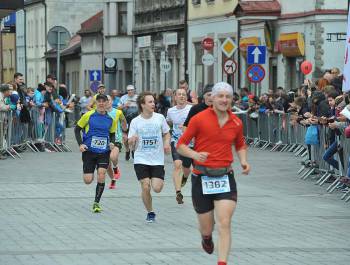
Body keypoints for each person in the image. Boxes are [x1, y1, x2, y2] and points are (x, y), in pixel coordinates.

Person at [177, 82, 250, 265]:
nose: (224, 100)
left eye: (228, 97)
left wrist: (243, 161)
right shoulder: (199, 119)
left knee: (224, 222)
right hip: (201, 177)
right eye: (220, 96)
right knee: (207, 227)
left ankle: (222, 262)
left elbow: (240, 144)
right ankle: (207, 238)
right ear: (213, 99)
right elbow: (181, 145)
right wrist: (195, 155)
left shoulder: (236, 122)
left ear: (232, 99)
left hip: (225, 177)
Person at [128, 91, 171, 222]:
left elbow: (166, 133)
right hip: (141, 158)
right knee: (145, 185)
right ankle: (150, 212)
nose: (153, 104)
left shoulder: (159, 118)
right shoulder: (135, 121)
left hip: (157, 159)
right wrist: (132, 140)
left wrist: (167, 143)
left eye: (153, 101)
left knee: (157, 188)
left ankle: (150, 205)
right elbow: (129, 141)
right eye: (150, 102)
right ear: (142, 105)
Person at [74, 94, 117, 213]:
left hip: (104, 151)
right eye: (99, 101)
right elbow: (77, 129)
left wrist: (112, 143)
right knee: (88, 180)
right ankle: (88, 171)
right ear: (96, 103)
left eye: (104, 101)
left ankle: (96, 202)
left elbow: (112, 133)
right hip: (89, 151)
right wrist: (80, 144)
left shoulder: (110, 119)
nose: (102, 103)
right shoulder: (88, 115)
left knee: (102, 174)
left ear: (108, 103)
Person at [166, 87, 192, 204]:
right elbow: (168, 122)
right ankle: (178, 192)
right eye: (179, 94)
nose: (182, 96)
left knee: (186, 169)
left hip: (190, 143)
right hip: (176, 141)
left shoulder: (192, 109)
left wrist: (188, 127)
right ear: (175, 97)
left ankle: (185, 177)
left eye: (184, 94)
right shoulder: (171, 111)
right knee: (177, 164)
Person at [106, 95, 127, 189]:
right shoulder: (100, 113)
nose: (107, 102)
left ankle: (116, 167)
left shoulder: (118, 112)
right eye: (105, 100)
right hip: (104, 140)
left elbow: (123, 121)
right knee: (107, 164)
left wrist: (125, 131)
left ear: (111, 102)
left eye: (109, 100)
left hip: (117, 138)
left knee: (113, 156)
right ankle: (113, 179)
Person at [119, 85, 138, 161]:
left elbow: (142, 107)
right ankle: (127, 150)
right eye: (128, 90)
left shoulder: (138, 97)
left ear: (134, 90)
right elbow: (118, 108)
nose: (130, 92)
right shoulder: (123, 98)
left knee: (134, 136)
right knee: (125, 137)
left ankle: (133, 150)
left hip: (135, 119)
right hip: (125, 118)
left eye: (131, 90)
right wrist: (124, 105)